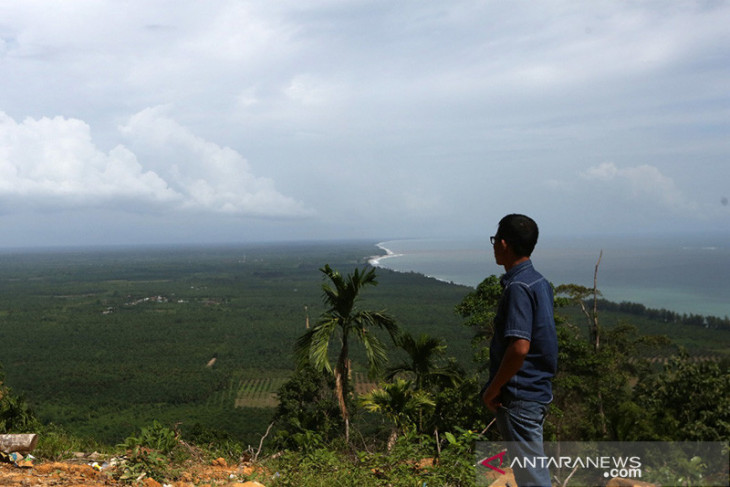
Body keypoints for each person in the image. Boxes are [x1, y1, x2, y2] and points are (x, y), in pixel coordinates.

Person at [481, 214, 558, 487]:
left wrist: (492, 389)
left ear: (504, 243)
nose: (493, 246)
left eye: (494, 240)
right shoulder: (539, 282)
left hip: (519, 396)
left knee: (532, 479)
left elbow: (519, 347)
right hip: (537, 391)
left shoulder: (517, 287)